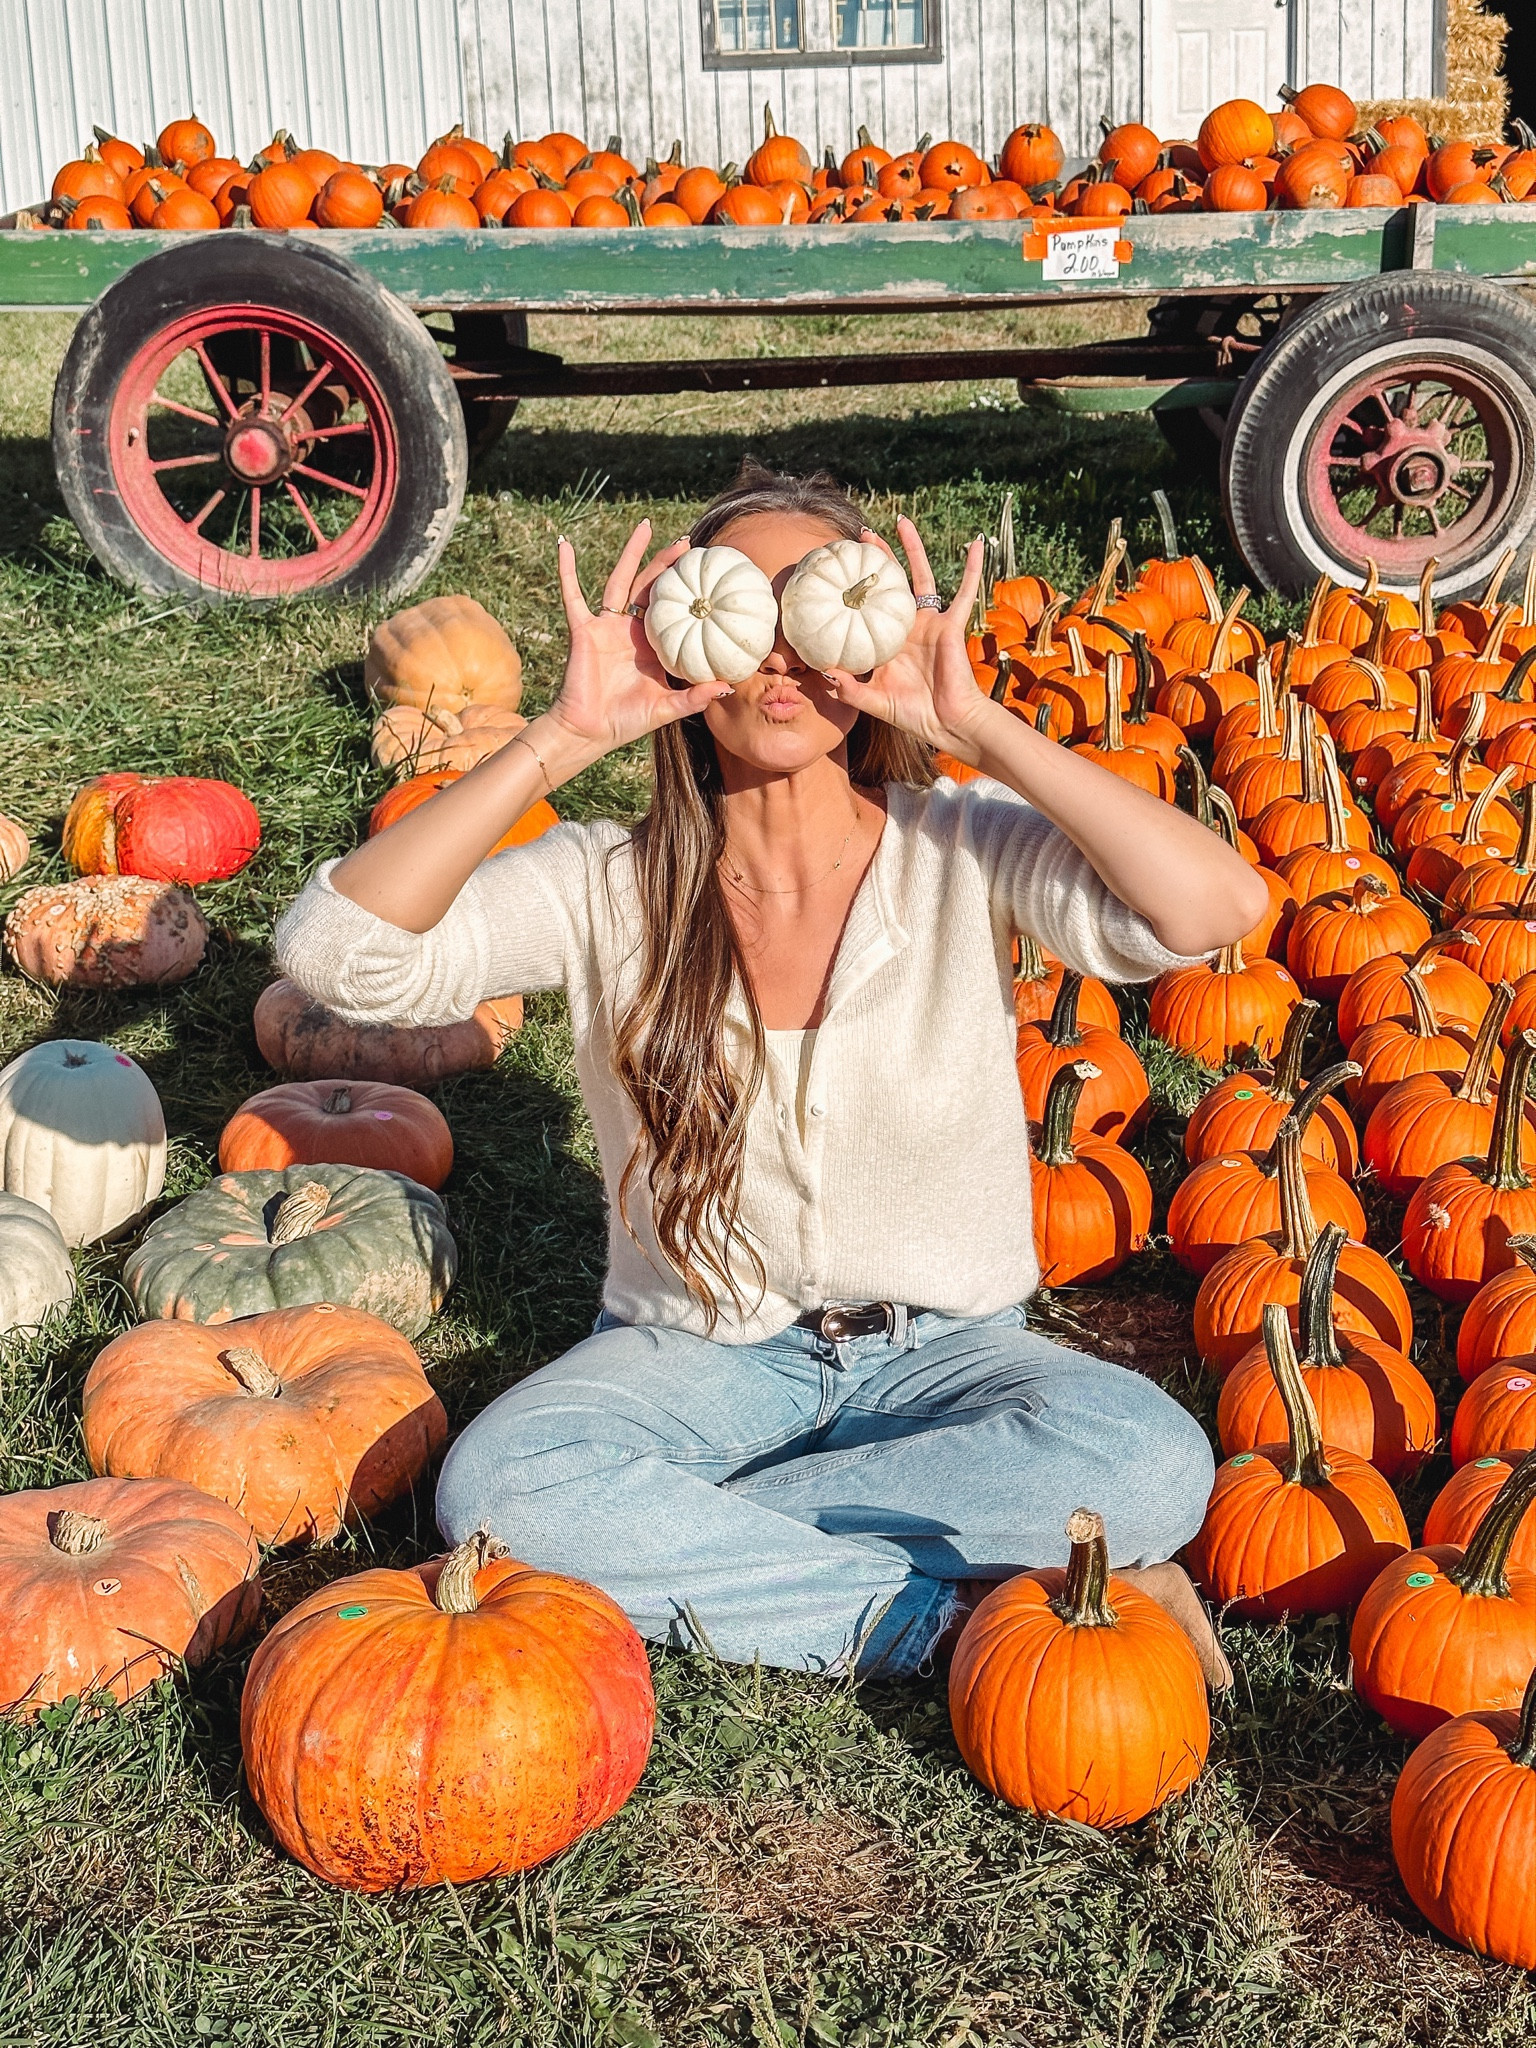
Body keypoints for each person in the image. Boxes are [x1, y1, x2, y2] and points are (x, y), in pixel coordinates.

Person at [275, 463, 1268, 1686]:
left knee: (1154, 1458)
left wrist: (983, 729)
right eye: (746, 606)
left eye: (821, 603)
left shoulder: (959, 847)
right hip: (695, 1356)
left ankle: (695, 1524)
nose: (785, 652)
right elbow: (339, 955)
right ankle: (949, 1615)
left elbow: (1215, 909)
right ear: (691, 639)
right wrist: (563, 735)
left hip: (947, 1351)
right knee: (506, 1481)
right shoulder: (604, 884)